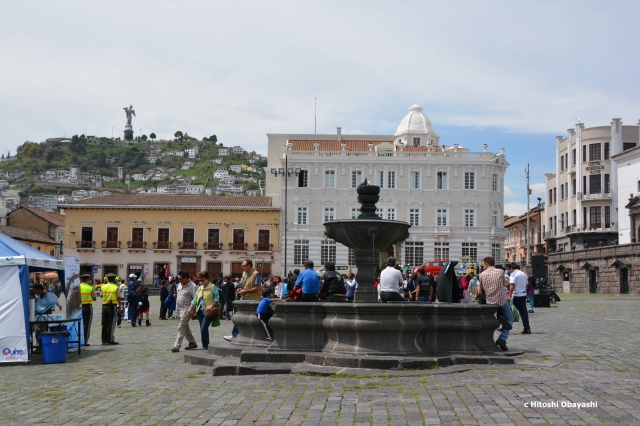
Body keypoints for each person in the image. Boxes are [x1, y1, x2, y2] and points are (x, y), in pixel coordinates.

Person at [478, 257, 513, 351]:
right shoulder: (501, 272)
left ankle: (499, 319)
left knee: (489, 320)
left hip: (490, 302)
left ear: (486, 264)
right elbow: (503, 285)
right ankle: (502, 338)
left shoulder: (482, 275)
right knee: (510, 319)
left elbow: (481, 289)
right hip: (502, 300)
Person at [223, 259, 261, 341]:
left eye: (244, 266)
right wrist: (240, 289)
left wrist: (245, 291)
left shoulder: (255, 274)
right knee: (239, 316)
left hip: (253, 299)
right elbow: (244, 286)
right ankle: (237, 335)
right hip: (244, 297)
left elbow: (258, 287)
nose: (242, 267)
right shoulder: (244, 273)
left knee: (245, 317)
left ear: (249, 265)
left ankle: (236, 335)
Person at [189, 271, 218, 350]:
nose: (201, 282)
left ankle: (205, 345)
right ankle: (205, 345)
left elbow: (216, 299)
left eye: (203, 280)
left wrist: (211, 305)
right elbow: (195, 299)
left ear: (207, 278)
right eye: (200, 280)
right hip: (200, 311)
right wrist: (190, 308)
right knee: (202, 328)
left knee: (203, 328)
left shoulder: (213, 287)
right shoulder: (200, 288)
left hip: (209, 311)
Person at [170, 271, 198, 352]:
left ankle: (176, 346)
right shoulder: (179, 285)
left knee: (181, 327)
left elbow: (195, 299)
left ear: (186, 278)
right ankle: (192, 342)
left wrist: (194, 311)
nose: (179, 280)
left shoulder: (193, 286)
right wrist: (176, 296)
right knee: (185, 327)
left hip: (187, 310)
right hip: (179, 309)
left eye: (180, 279)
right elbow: (181, 294)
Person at [508, 263, 531, 334]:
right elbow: (527, 285)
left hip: (516, 295)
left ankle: (506, 327)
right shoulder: (524, 274)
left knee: (509, 312)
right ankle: (527, 328)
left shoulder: (513, 274)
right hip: (523, 294)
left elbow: (512, 285)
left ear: (512, 268)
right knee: (524, 313)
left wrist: (509, 295)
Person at [101, 273, 121, 345]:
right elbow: (119, 298)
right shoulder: (115, 287)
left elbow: (101, 295)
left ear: (107, 279)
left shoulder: (103, 287)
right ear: (114, 279)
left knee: (104, 324)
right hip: (112, 306)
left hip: (104, 306)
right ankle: (110, 340)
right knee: (111, 323)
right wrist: (120, 308)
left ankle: (104, 340)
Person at [79, 274, 96, 346]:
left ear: (81, 280)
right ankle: (85, 341)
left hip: (78, 307)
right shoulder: (90, 288)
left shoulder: (77, 287)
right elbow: (94, 298)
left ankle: (78, 340)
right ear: (88, 280)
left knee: (79, 324)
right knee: (87, 325)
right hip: (87, 307)